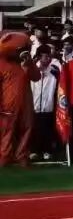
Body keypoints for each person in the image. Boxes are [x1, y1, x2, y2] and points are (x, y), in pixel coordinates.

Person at [0, 31, 41, 167]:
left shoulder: (27, 62)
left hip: (26, 101)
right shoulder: (2, 63)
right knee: (7, 130)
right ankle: (5, 156)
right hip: (8, 102)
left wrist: (29, 64)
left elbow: (36, 77)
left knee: (27, 128)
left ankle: (22, 155)